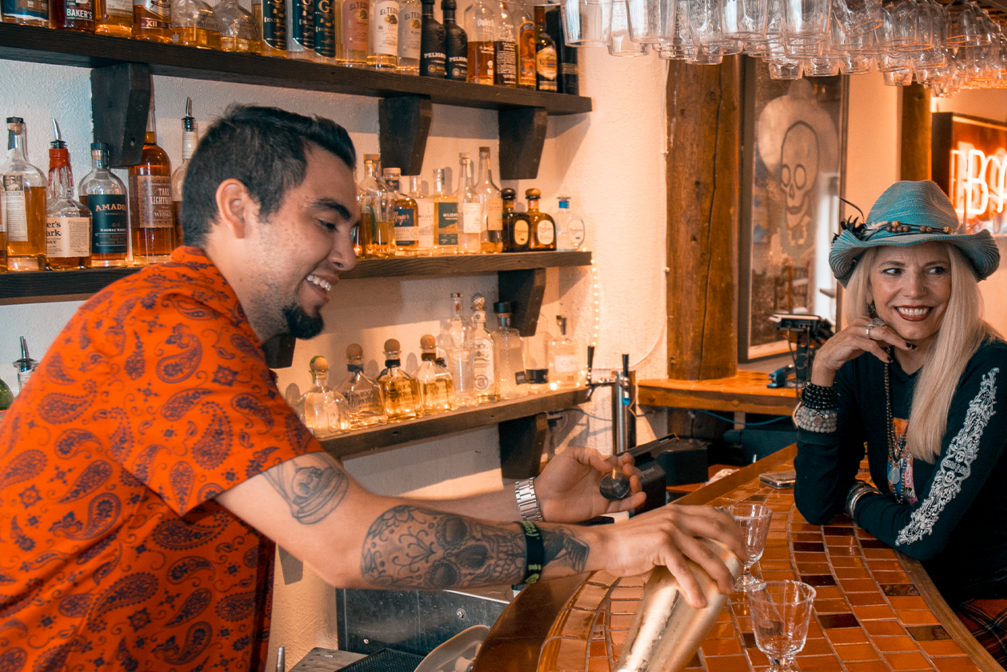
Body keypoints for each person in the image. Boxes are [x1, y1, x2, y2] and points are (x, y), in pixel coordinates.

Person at [0, 105, 744, 671]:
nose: (348, 255)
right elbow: (350, 545)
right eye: (327, 222)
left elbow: (344, 512)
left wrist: (534, 500)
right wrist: (601, 551)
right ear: (236, 208)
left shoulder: (198, 327)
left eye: (352, 229)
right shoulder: (169, 332)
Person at [794, 180, 1007, 671]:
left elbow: (922, 533)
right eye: (893, 270)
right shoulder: (863, 361)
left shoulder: (990, 367)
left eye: (935, 270)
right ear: (868, 282)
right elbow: (816, 503)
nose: (914, 290)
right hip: (933, 583)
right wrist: (821, 374)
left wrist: (855, 495)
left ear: (958, 280)